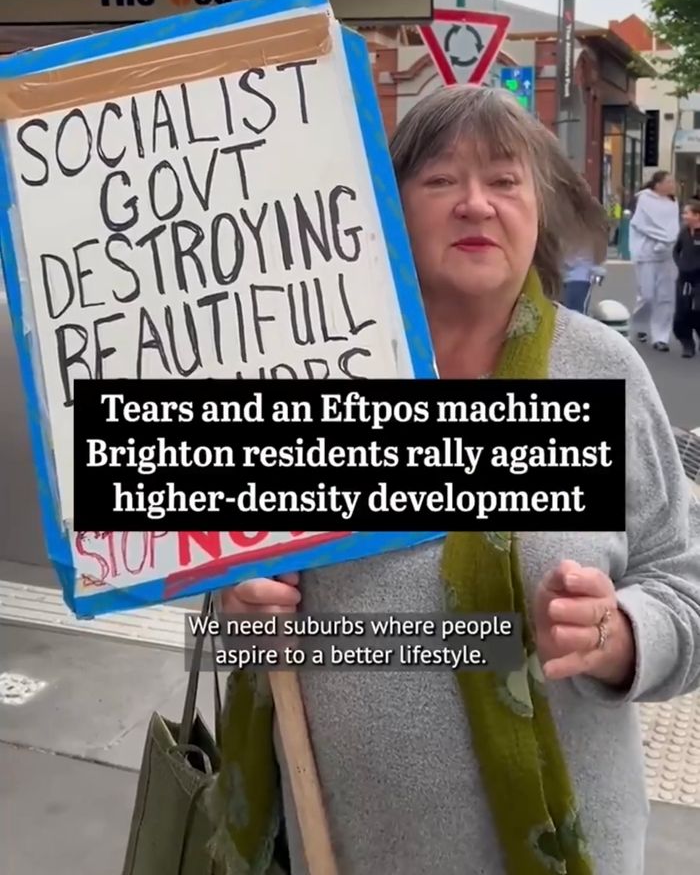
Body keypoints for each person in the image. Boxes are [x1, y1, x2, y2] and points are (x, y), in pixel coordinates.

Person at [206, 86, 700, 875]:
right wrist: (239, 607)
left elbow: (683, 587)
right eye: (440, 180)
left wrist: (621, 635)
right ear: (388, 208)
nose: (475, 203)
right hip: (345, 851)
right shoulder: (313, 377)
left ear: (539, 206)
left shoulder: (604, 373)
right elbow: (235, 593)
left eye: (504, 179)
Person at [629, 170, 680, 351]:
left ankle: (661, 337)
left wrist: (669, 240)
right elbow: (640, 223)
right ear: (658, 184)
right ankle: (640, 326)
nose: (672, 185)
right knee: (647, 295)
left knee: (666, 297)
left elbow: (673, 226)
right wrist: (661, 237)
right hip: (646, 254)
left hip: (667, 254)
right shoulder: (643, 199)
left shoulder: (673, 202)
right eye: (669, 181)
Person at [672, 200, 700, 358]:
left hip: (699, 279)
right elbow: (676, 250)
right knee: (682, 312)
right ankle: (687, 343)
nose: (684, 216)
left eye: (687, 213)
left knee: (698, 310)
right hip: (684, 279)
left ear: (697, 215)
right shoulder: (684, 232)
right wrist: (680, 264)